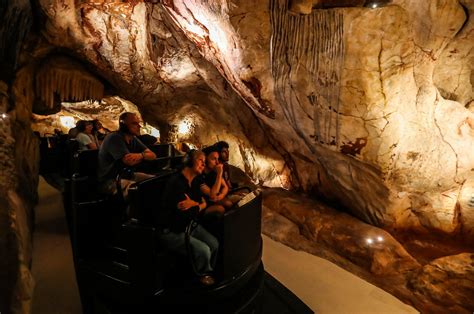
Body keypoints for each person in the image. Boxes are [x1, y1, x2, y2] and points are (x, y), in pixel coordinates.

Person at [160, 150, 218, 286]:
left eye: (204, 161)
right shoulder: (176, 183)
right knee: (203, 250)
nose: (203, 164)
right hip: (171, 230)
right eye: (200, 160)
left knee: (214, 244)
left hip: (188, 225)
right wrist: (199, 205)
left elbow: (203, 202)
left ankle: (206, 271)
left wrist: (195, 204)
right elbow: (184, 214)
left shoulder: (196, 180)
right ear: (188, 161)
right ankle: (201, 277)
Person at [97, 112, 156, 196]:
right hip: (110, 181)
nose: (139, 126)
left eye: (138, 123)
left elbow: (153, 155)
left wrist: (140, 155)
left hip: (128, 175)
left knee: (156, 181)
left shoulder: (133, 138)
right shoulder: (114, 137)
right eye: (134, 123)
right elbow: (129, 161)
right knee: (140, 190)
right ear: (123, 124)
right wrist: (144, 156)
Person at [200, 145, 233, 213]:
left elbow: (225, 187)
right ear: (205, 160)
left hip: (215, 199)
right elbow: (212, 195)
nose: (217, 162)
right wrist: (219, 174)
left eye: (217, 159)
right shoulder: (200, 175)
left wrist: (222, 195)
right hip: (204, 203)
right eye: (213, 159)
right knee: (221, 208)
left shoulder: (214, 171)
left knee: (231, 203)